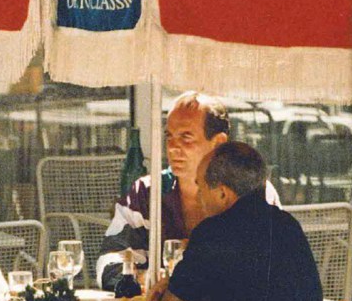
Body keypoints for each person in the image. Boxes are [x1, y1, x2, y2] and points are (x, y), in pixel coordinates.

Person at [150, 141, 328, 301]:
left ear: (223, 193)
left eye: (201, 188)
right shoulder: (288, 225)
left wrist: (167, 288)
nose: (198, 197)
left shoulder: (212, 232)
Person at [96, 91, 280, 289]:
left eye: (186, 137)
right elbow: (109, 263)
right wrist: (153, 280)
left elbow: (269, 267)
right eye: (169, 136)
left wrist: (188, 282)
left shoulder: (251, 192)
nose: (173, 148)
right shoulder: (147, 192)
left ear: (218, 142)